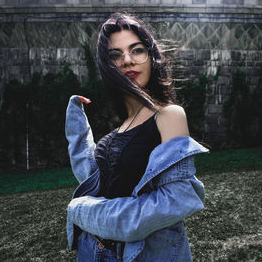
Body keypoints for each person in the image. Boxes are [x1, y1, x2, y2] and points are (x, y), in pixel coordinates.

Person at [65, 13, 208, 262]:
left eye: (137, 50)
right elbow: (95, 181)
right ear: (107, 66)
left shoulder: (168, 115)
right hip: (92, 250)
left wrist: (87, 212)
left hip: (141, 254)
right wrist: (76, 122)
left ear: (151, 57)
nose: (127, 60)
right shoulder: (119, 129)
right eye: (115, 55)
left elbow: (176, 199)